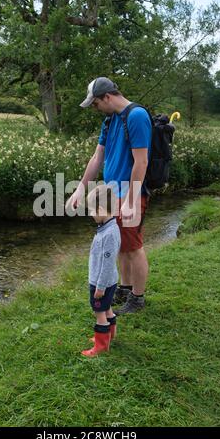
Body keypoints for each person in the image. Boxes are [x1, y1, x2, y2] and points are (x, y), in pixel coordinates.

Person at [67, 77, 152, 315]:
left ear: (107, 97)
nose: (95, 108)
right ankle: (124, 289)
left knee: (133, 247)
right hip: (113, 193)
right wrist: (81, 187)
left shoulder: (136, 116)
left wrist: (131, 200)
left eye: (95, 103)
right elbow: (97, 158)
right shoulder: (110, 120)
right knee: (121, 244)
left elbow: (141, 161)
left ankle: (137, 298)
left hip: (131, 194)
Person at [82, 185, 121, 357]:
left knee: (99, 312)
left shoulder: (108, 234)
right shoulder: (109, 227)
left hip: (102, 282)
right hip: (108, 281)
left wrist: (100, 287)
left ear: (100, 209)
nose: (90, 215)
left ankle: (101, 345)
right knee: (107, 308)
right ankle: (110, 334)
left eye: (91, 211)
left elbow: (107, 263)